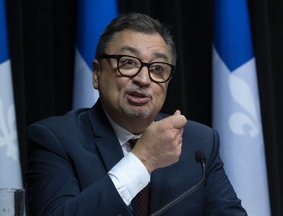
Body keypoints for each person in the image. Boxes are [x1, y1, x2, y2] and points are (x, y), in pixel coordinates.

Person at [25, 12, 247, 216]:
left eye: (158, 68)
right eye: (129, 63)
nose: (144, 79)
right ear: (96, 73)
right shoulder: (54, 139)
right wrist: (142, 160)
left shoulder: (199, 144)